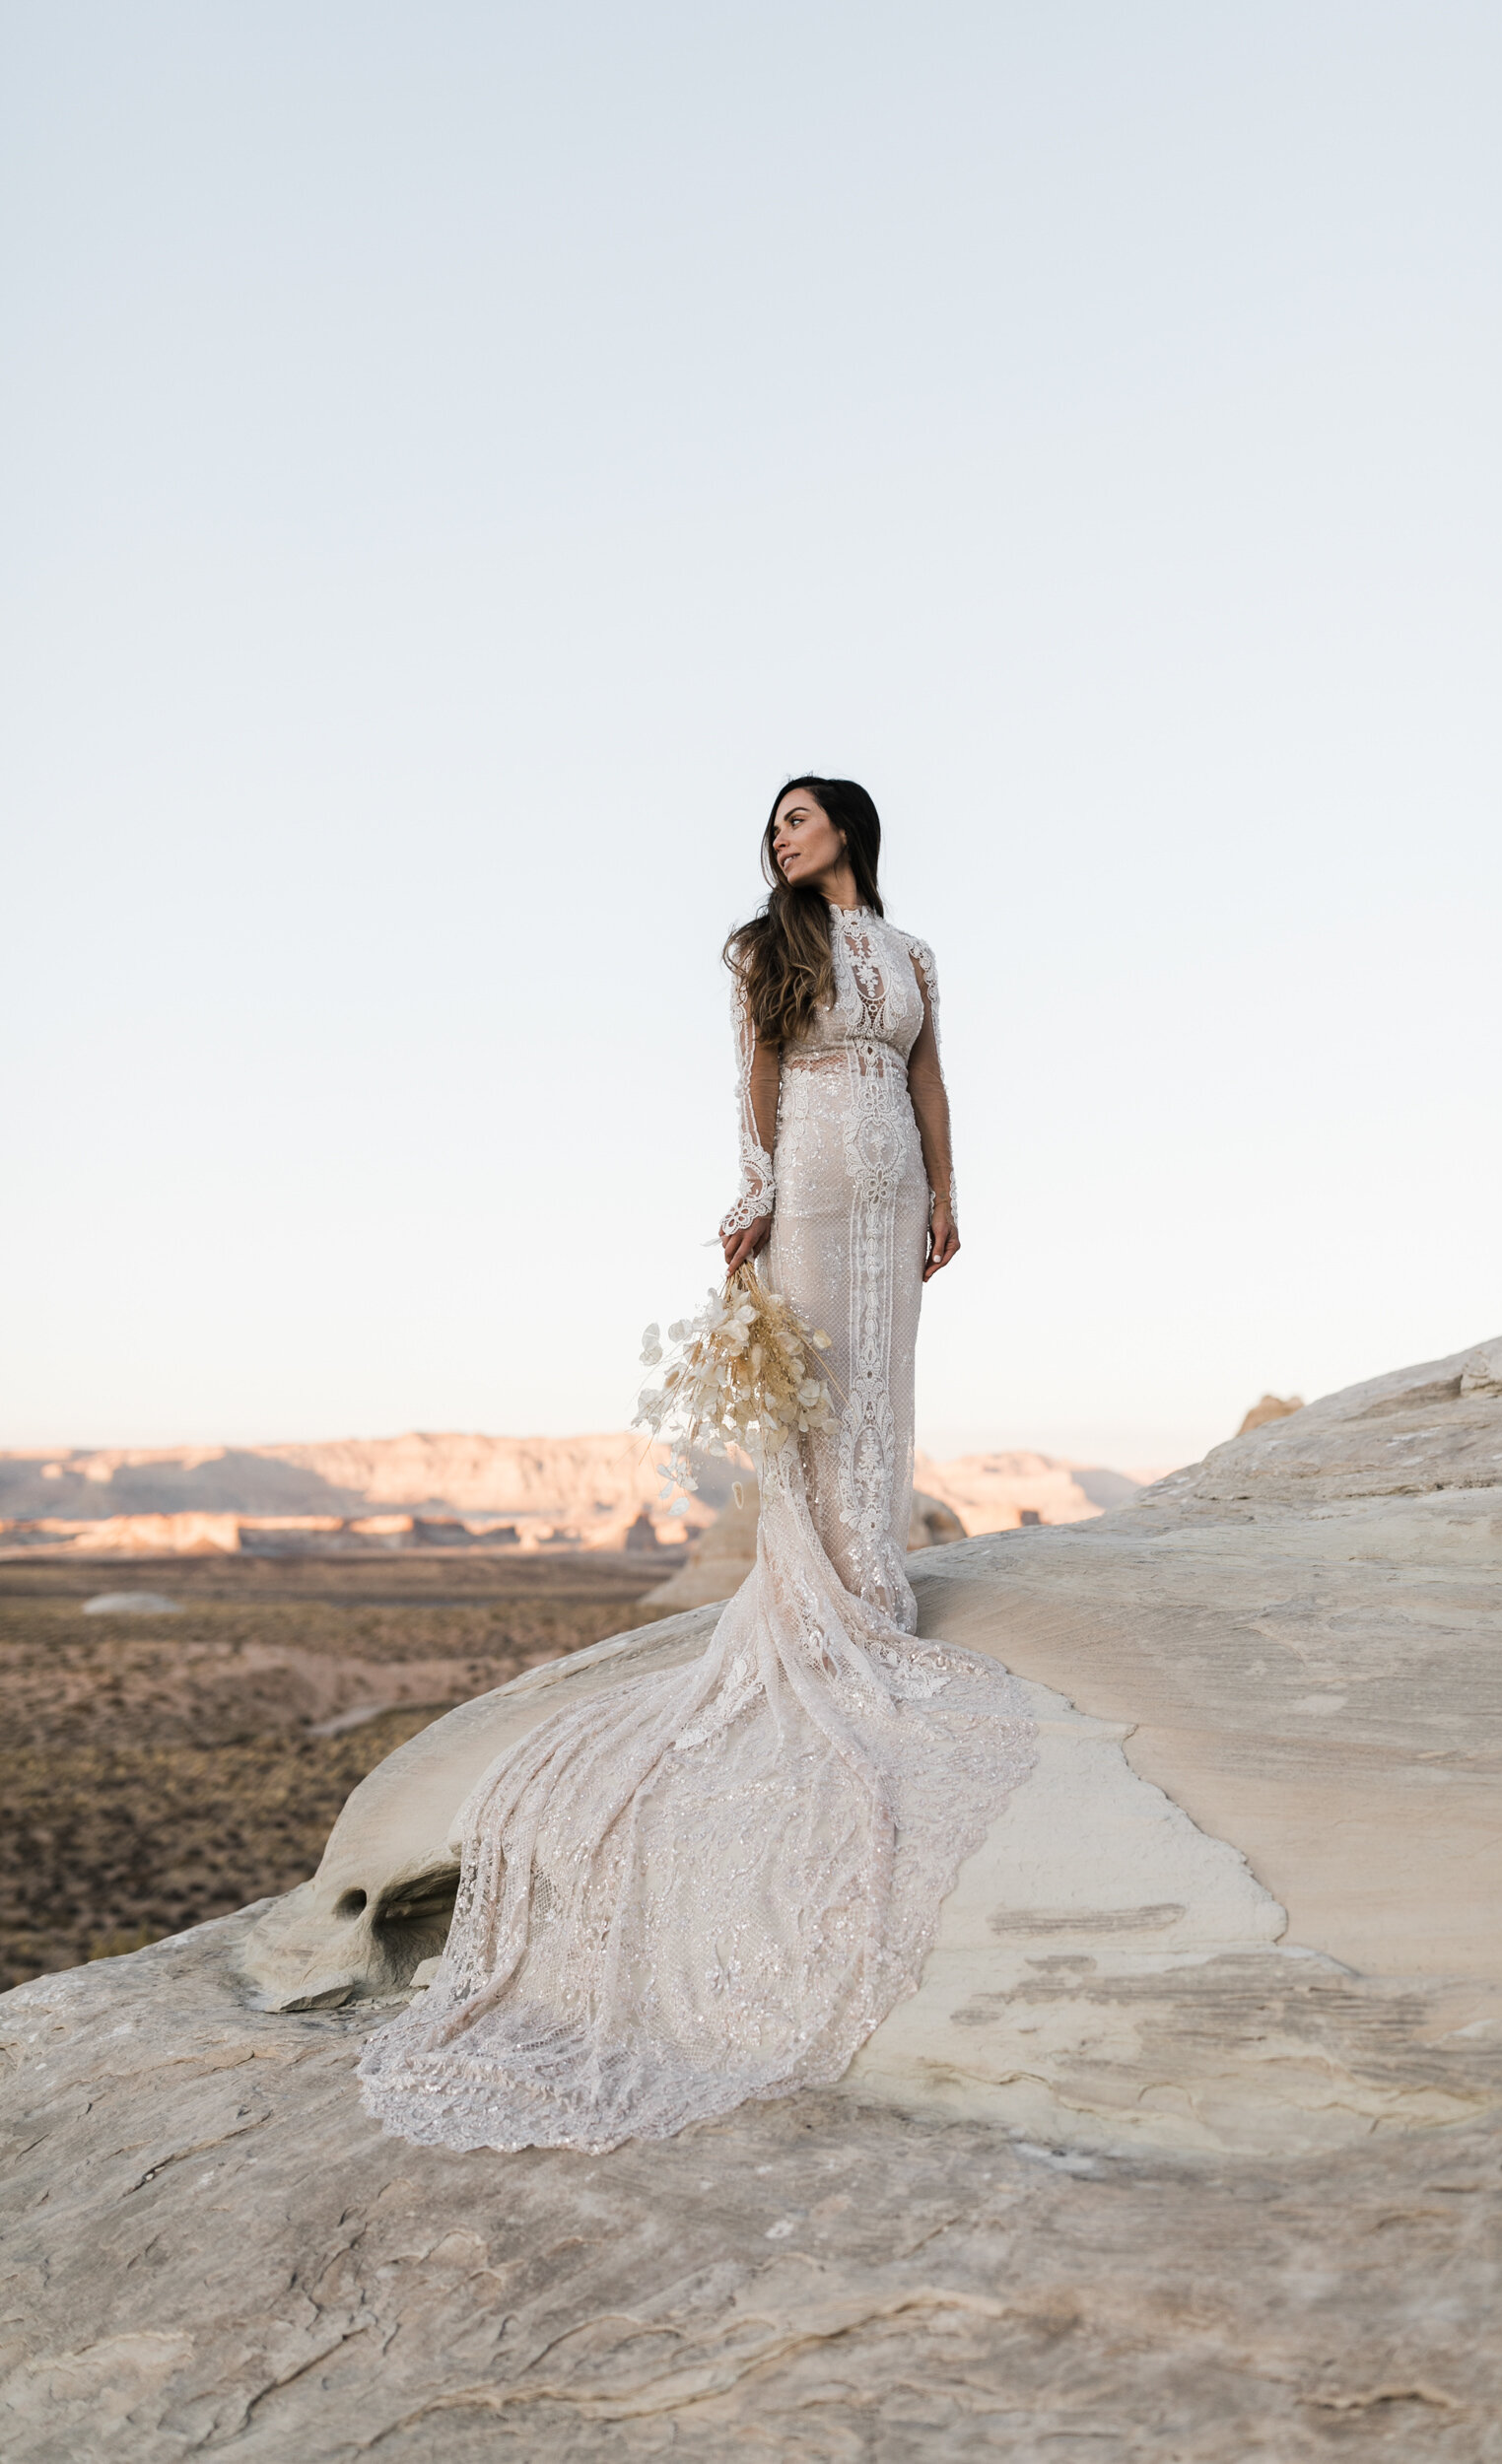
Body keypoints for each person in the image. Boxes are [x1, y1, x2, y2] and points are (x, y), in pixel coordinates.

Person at [358, 778, 1034, 2153]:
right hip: (816, 1169)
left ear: (849, 825)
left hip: (894, 1174)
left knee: (880, 1389)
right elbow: (759, 1075)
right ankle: (816, 1596)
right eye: (771, 825)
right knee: (811, 1386)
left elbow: (926, 1072)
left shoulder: (911, 956)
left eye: (799, 817)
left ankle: (868, 1572)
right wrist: (755, 1188)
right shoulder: (761, 949)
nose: (781, 836)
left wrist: (952, 1191)